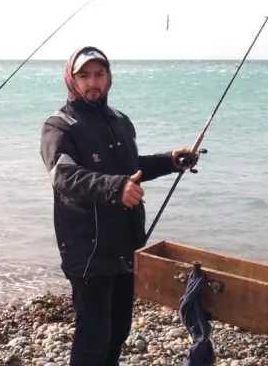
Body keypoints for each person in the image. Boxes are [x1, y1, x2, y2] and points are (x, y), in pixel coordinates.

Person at [39, 46, 198, 366]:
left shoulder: (120, 120)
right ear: (71, 80)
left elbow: (131, 168)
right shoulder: (59, 126)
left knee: (119, 329)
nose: (93, 82)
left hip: (126, 244)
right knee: (93, 335)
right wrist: (116, 188)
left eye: (99, 74)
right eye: (84, 75)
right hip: (87, 251)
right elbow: (64, 176)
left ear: (109, 78)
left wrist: (170, 161)